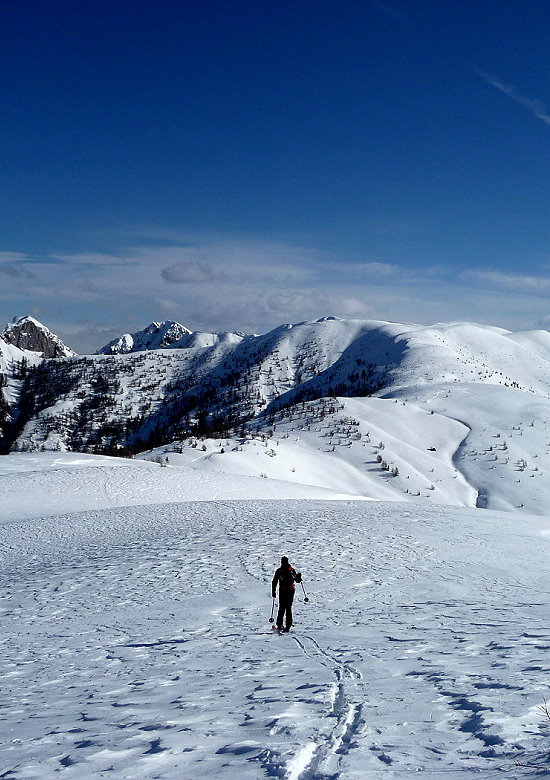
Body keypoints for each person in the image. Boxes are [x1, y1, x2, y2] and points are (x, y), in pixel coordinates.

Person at [271, 556, 302, 631]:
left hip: (282, 590)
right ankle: (288, 625)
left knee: (282, 607)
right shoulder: (291, 570)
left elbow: (274, 581)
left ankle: (279, 624)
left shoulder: (279, 571)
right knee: (288, 607)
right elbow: (297, 581)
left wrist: (273, 591)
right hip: (291, 591)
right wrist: (299, 577)